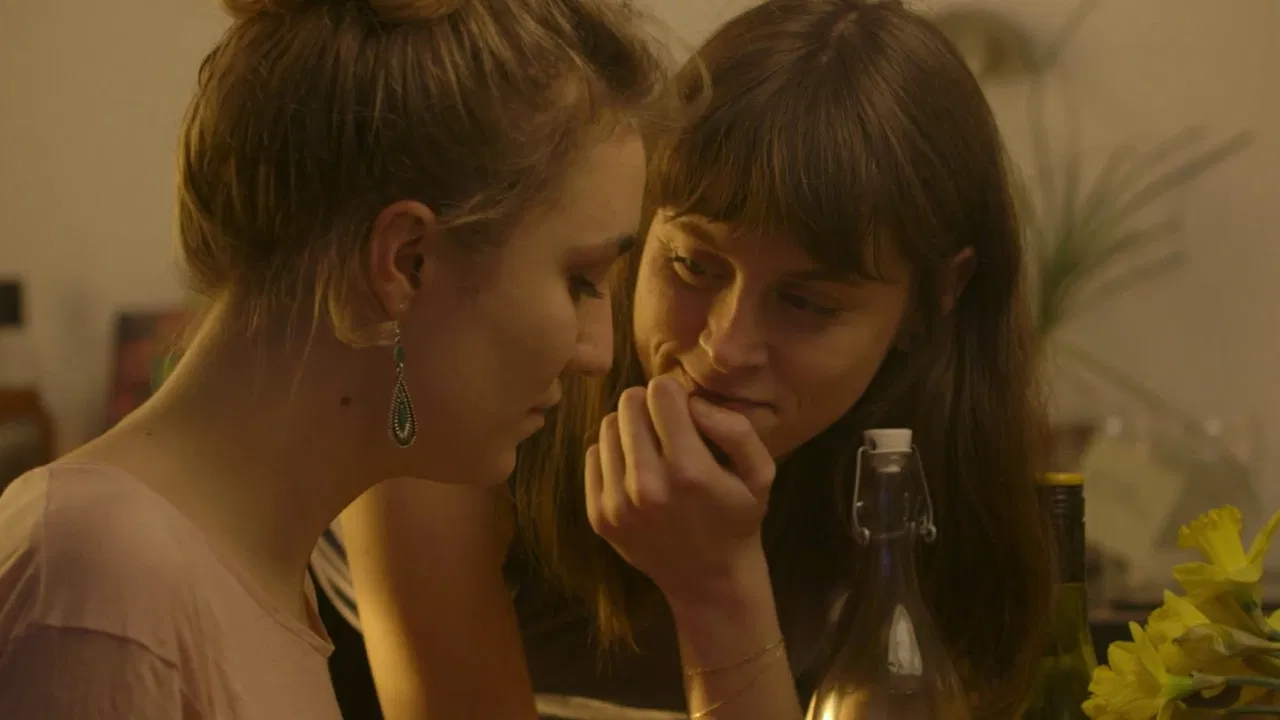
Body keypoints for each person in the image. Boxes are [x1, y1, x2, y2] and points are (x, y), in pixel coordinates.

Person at [318, 0, 1057, 719]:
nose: (725, 348)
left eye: (807, 303)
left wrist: (715, 584)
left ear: (932, 301)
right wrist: (720, 588)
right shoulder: (451, 396)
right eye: (693, 266)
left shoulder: (929, 476)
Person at [0, 0, 676, 717]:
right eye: (580, 281)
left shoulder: (257, 578)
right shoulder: (101, 586)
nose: (596, 353)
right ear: (407, 261)